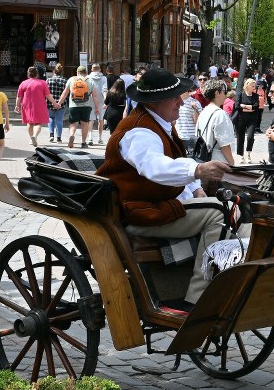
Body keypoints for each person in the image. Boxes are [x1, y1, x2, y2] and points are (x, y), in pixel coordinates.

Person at [95, 69, 232, 311]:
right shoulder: (139, 131)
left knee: (235, 208)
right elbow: (155, 167)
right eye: (174, 97)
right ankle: (198, 298)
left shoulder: (158, 122)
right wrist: (198, 170)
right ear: (154, 102)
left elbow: (174, 161)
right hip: (140, 212)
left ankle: (229, 276)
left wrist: (196, 188)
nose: (181, 102)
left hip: (155, 206)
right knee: (219, 213)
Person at [196, 81, 237, 166]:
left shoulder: (204, 111)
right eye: (224, 91)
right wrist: (231, 162)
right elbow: (224, 144)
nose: (225, 94)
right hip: (218, 161)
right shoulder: (220, 114)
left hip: (204, 159)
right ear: (217, 93)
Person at [58, 65, 95, 148]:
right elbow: (95, 96)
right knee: (84, 124)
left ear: (77, 72)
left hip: (73, 105)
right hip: (86, 106)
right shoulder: (90, 81)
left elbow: (65, 93)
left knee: (73, 123)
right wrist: (96, 107)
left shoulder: (72, 79)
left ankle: (72, 135)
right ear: (86, 73)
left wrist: (59, 103)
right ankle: (83, 142)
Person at [16, 65, 50, 148]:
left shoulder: (23, 83)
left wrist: (17, 105)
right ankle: (35, 136)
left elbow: (19, 96)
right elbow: (48, 95)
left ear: (28, 74)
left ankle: (31, 139)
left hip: (26, 105)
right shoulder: (42, 83)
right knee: (38, 123)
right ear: (37, 74)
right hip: (39, 104)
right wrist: (55, 104)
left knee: (29, 122)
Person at [232, 79, 261, 164]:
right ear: (247, 85)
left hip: (252, 120)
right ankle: (241, 156)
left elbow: (256, 107)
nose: (254, 87)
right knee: (240, 138)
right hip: (240, 119)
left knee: (250, 137)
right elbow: (237, 107)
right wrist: (250, 108)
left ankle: (248, 155)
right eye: (252, 86)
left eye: (254, 86)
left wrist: (244, 106)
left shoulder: (255, 96)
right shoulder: (240, 95)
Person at [86, 64, 108, 145]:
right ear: (100, 69)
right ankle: (100, 138)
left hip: (90, 99)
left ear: (92, 69)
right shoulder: (104, 78)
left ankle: (90, 137)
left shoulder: (88, 77)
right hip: (101, 100)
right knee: (101, 119)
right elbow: (104, 89)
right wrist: (106, 100)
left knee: (91, 119)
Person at [46, 64, 67, 143]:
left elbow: (46, 93)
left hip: (50, 102)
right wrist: (59, 103)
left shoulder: (48, 80)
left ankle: (51, 135)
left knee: (51, 118)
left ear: (54, 71)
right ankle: (59, 138)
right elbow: (66, 93)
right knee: (59, 120)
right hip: (61, 103)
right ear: (61, 72)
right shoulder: (64, 80)